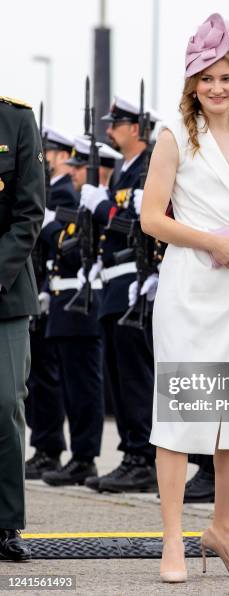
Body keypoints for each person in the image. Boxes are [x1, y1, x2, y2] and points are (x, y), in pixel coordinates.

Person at [141, 13, 229, 583]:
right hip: (190, 287)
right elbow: (151, 219)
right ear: (191, 83)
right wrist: (213, 243)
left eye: (226, 77)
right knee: (179, 415)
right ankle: (173, 541)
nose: (216, 88)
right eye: (205, 78)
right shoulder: (173, 133)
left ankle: (225, 530)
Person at [79, 97, 160, 494]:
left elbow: (140, 223)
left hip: (135, 277)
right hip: (113, 281)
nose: (109, 130)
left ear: (135, 128)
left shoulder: (149, 168)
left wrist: (104, 209)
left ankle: (143, 457)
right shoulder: (121, 173)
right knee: (118, 374)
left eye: (116, 124)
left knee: (135, 375)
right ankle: (131, 453)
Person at [39, 137, 121, 486]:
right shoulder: (83, 203)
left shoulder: (90, 202)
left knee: (85, 388)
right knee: (73, 388)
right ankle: (79, 456)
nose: (72, 174)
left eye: (78, 168)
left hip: (84, 306)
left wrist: (51, 228)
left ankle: (85, 456)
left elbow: (78, 254)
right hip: (67, 305)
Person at [0, 95, 45, 561]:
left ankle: (6, 522)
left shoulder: (15, 120)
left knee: (5, 402)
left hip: (5, 292)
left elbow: (29, 211)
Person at [25, 128, 77, 480]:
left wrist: (47, 222)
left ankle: (50, 447)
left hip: (58, 294)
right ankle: (44, 446)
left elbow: (65, 241)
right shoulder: (47, 189)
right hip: (43, 291)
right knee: (38, 379)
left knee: (48, 379)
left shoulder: (64, 193)